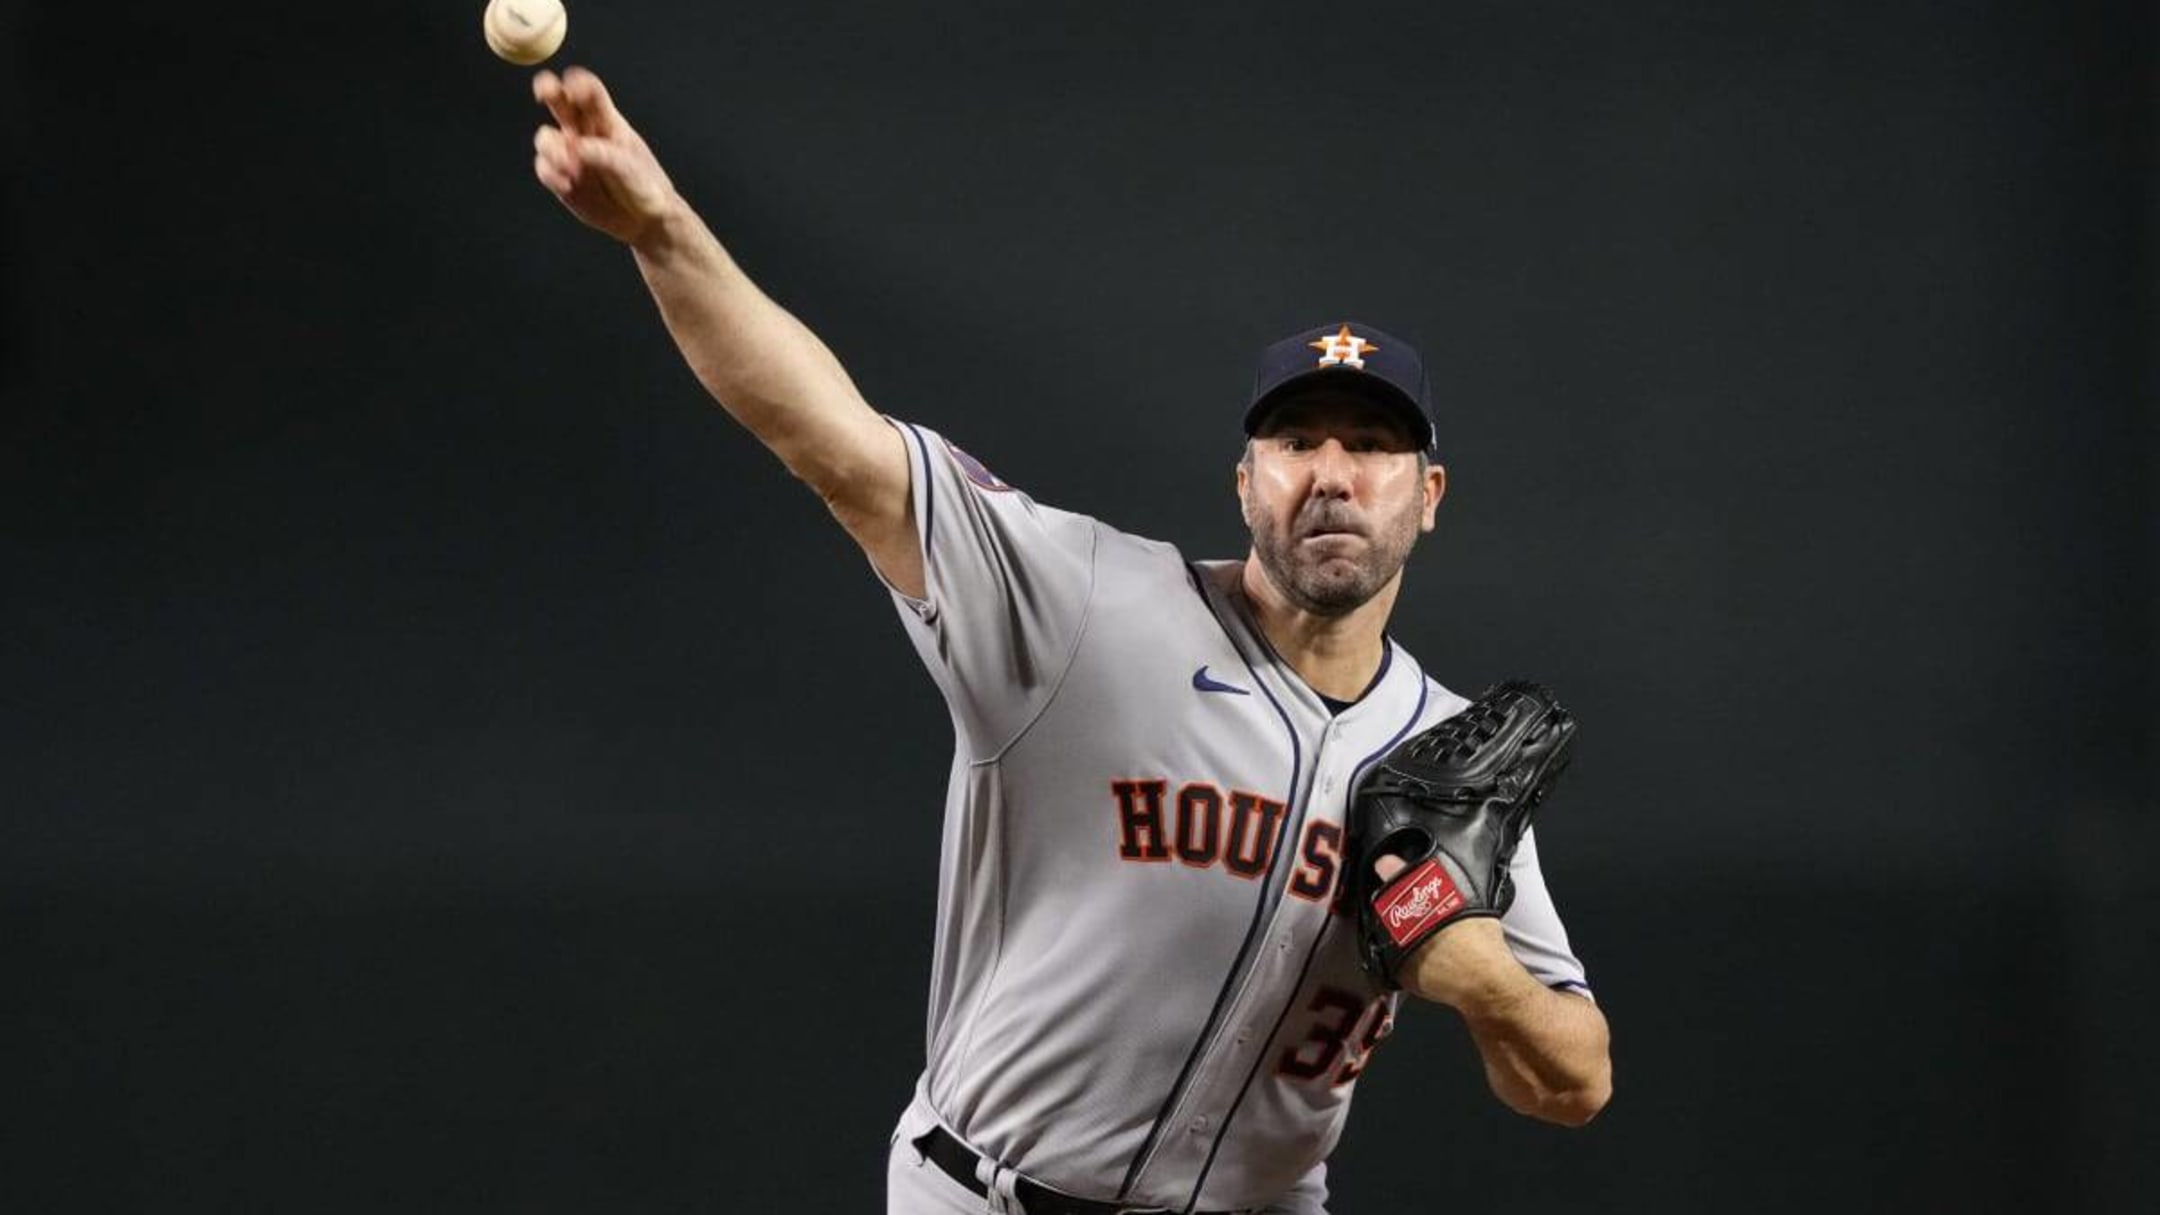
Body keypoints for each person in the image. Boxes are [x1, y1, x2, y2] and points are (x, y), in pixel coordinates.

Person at [528, 65, 1611, 1215]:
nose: (1332, 478)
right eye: (1297, 442)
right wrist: (662, 229)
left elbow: (1574, 1080)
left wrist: (1479, 972)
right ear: (1246, 481)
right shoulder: (1085, 603)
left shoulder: (1446, 758)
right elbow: (832, 444)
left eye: (1372, 446)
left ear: (1428, 492)